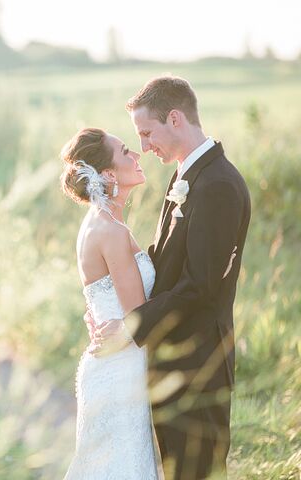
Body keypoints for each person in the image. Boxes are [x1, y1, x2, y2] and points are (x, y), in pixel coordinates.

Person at [89, 76, 251, 479]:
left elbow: (199, 285)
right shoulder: (185, 177)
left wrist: (128, 327)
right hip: (173, 363)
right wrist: (103, 307)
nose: (143, 146)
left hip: (198, 367)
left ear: (175, 118)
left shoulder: (217, 185)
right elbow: (165, 269)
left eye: (146, 133)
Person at [60, 127, 164, 479]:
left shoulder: (98, 224)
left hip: (112, 366)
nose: (136, 155)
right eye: (125, 152)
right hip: (121, 372)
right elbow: (139, 316)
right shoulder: (111, 231)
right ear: (107, 174)